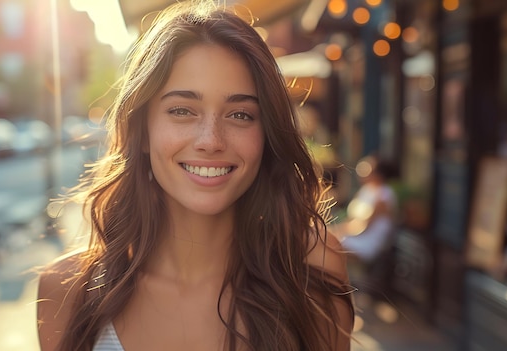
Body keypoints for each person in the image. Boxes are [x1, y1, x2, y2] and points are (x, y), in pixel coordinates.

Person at [36, 1, 354, 350]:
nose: (211, 141)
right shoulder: (66, 290)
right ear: (142, 130)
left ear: (267, 135)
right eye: (182, 110)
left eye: (240, 115)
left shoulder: (311, 270)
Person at [334, 155, 398, 269]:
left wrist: (338, 231)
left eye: (367, 167)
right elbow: (352, 219)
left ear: (378, 174)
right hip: (353, 236)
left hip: (365, 241)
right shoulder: (366, 190)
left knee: (326, 244)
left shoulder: (383, 196)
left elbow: (364, 226)